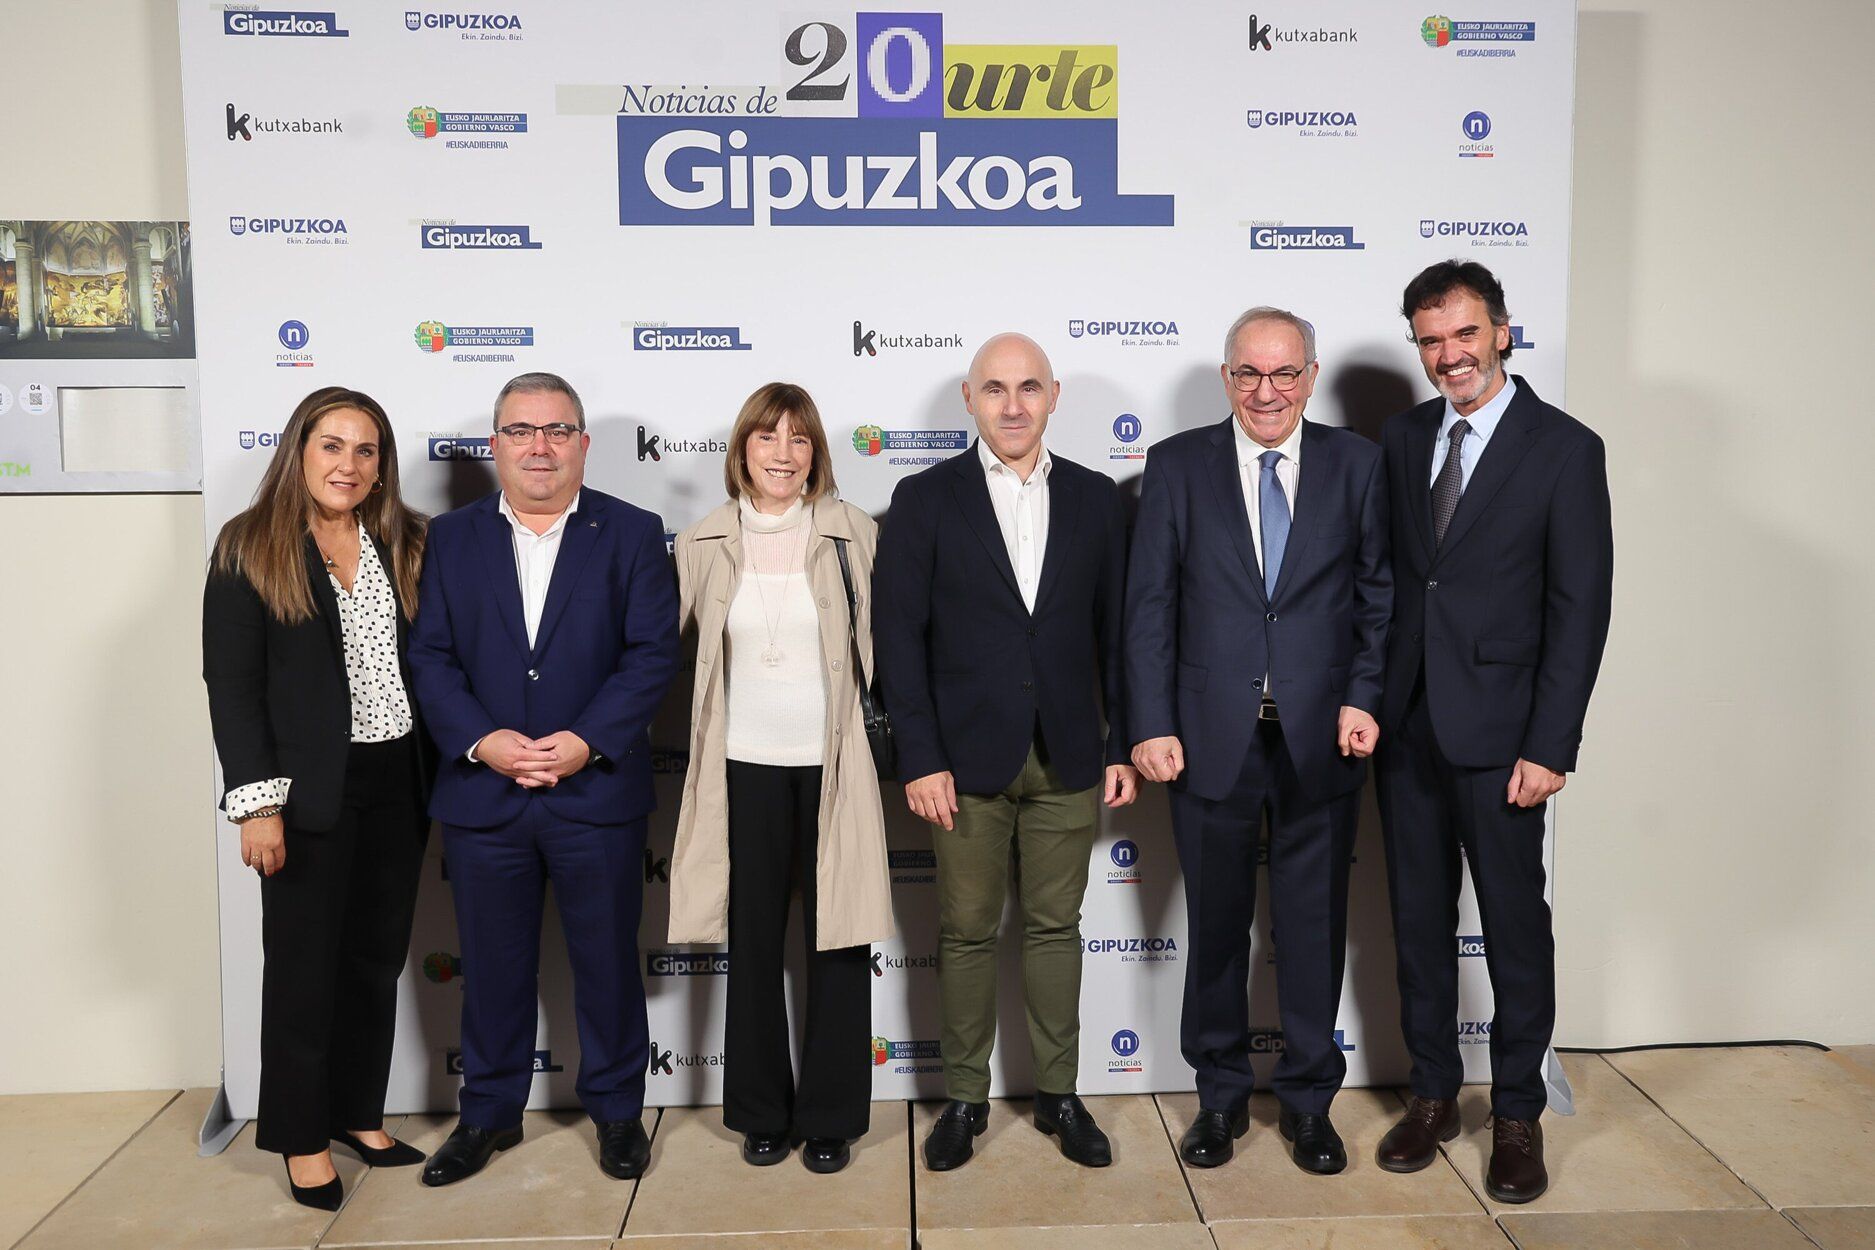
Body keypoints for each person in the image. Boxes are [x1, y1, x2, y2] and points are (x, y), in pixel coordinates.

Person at [1126, 309, 1391, 1174]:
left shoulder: (1358, 464)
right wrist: (1152, 722)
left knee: (1312, 929)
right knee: (1215, 932)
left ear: (1311, 376)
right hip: (1207, 740)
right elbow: (1150, 608)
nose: (1266, 392)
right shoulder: (1175, 466)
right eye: (1248, 374)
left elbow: (1377, 597)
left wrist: (1363, 697)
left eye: (1283, 375)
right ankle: (1220, 1099)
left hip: (1325, 739)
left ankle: (1310, 1102)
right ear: (1225, 376)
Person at [1374, 261, 1613, 1203]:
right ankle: (1432, 1094)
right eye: (1430, 340)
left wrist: (1551, 744)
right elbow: (1398, 583)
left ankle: (1515, 1111)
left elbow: (1579, 607)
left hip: (1508, 738)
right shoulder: (1401, 439)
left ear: (1501, 333)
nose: (1448, 356)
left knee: (1515, 930)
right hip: (1406, 731)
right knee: (1415, 924)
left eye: (1464, 335)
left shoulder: (1563, 448)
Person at [408, 372, 680, 1186]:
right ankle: (486, 1115)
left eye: (557, 430)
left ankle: (618, 1115)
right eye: (521, 430)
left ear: (583, 445)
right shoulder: (451, 538)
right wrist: (483, 740)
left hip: (592, 793)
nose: (539, 446)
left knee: (604, 962)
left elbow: (651, 654)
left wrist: (586, 741)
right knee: (490, 969)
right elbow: (430, 657)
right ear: (495, 444)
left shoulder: (632, 532)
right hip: (484, 797)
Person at [874, 332, 1137, 1172]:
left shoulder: (1098, 499)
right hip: (958, 762)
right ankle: (962, 1101)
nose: (1013, 404)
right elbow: (897, 642)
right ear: (969, 397)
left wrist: (1123, 743)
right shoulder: (922, 499)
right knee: (964, 933)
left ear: (1053, 395)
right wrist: (918, 757)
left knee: (1058, 927)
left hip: (1067, 752)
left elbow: (1121, 636)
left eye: (1028, 387)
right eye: (995, 388)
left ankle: (1059, 1096)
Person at [202, 386, 435, 1209]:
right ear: (299, 451)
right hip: (303, 793)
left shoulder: (402, 540)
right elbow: (232, 689)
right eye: (332, 445)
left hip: (396, 778)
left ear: (382, 467)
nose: (349, 463)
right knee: (303, 970)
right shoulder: (249, 547)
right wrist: (256, 805)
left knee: (374, 961)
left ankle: (356, 1112)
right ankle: (301, 1137)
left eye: (365, 450)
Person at [667, 382, 895, 1175]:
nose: (784, 454)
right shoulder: (698, 543)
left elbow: (887, 655)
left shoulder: (852, 534)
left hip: (835, 769)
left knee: (838, 945)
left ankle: (830, 1116)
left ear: (816, 456)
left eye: (800, 440)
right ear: (742, 450)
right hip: (741, 772)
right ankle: (761, 1111)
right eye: (769, 437)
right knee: (754, 946)